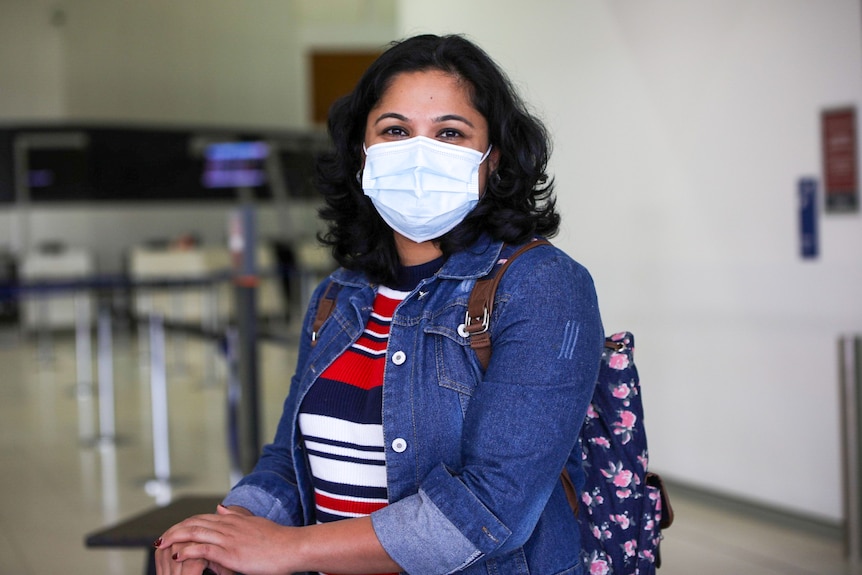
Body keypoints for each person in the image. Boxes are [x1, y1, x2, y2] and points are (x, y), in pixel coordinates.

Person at [155, 33, 604, 575]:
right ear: (362, 153)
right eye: (395, 130)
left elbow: (492, 509)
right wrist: (224, 535)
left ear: (494, 161)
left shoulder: (543, 285)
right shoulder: (339, 294)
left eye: (449, 133)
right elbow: (289, 463)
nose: (418, 153)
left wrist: (285, 549)